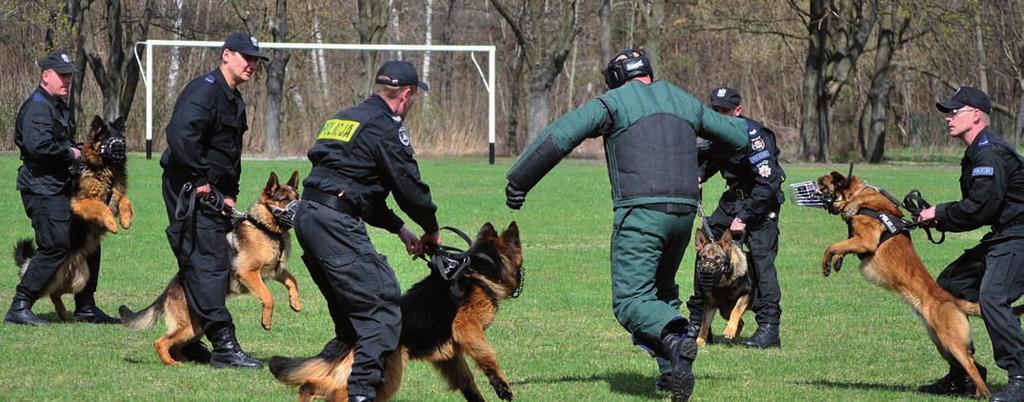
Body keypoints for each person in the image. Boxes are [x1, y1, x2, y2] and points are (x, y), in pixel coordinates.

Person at [504, 49, 749, 402]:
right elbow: (737, 136)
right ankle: (672, 373)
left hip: (641, 214)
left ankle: (680, 338)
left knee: (632, 300)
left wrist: (519, 180)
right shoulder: (683, 100)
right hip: (683, 216)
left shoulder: (613, 102)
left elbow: (561, 135)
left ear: (617, 77)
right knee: (662, 293)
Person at [292, 60, 440, 402]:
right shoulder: (386, 126)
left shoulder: (344, 118)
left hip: (309, 217)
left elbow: (356, 190)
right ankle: (360, 395)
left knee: (351, 321)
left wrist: (400, 228)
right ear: (405, 95)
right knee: (383, 308)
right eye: (415, 97)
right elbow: (409, 187)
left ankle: (313, 386)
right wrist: (430, 228)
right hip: (334, 223)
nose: (413, 104)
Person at [159, 32, 268, 368]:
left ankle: (191, 344)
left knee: (211, 263)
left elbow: (229, 153)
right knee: (208, 263)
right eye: (246, 57)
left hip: (217, 195)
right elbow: (180, 136)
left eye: (255, 59)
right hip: (191, 190)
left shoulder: (234, 100)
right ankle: (224, 344)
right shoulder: (204, 90)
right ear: (226, 56)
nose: (252, 64)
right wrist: (200, 179)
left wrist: (231, 192)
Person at [915, 86, 1024, 401]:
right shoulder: (977, 151)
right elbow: (980, 207)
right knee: (945, 289)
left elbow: (981, 208)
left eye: (954, 111)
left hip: (1019, 235)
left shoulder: (989, 151)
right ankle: (963, 374)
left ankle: (1020, 376)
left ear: (976, 115)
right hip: (1005, 233)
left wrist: (941, 212)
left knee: (993, 297)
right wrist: (939, 217)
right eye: (947, 112)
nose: (948, 118)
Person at [6, 51, 118, 325]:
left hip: (62, 186)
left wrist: (81, 150)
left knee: (89, 237)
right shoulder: (36, 108)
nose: (67, 81)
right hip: (42, 189)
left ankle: (86, 306)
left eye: (69, 75)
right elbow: (38, 147)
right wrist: (72, 154)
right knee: (55, 245)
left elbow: (59, 142)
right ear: (46, 76)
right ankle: (20, 305)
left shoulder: (56, 105)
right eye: (62, 75)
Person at [684, 87, 786, 348]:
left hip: (761, 203)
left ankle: (768, 329)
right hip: (734, 199)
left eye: (724, 111)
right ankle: (697, 322)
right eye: (715, 111)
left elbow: (769, 181)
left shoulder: (755, 137)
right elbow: (709, 160)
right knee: (705, 251)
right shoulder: (719, 134)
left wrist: (745, 216)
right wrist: (697, 176)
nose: (719, 115)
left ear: (738, 110)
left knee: (762, 263)